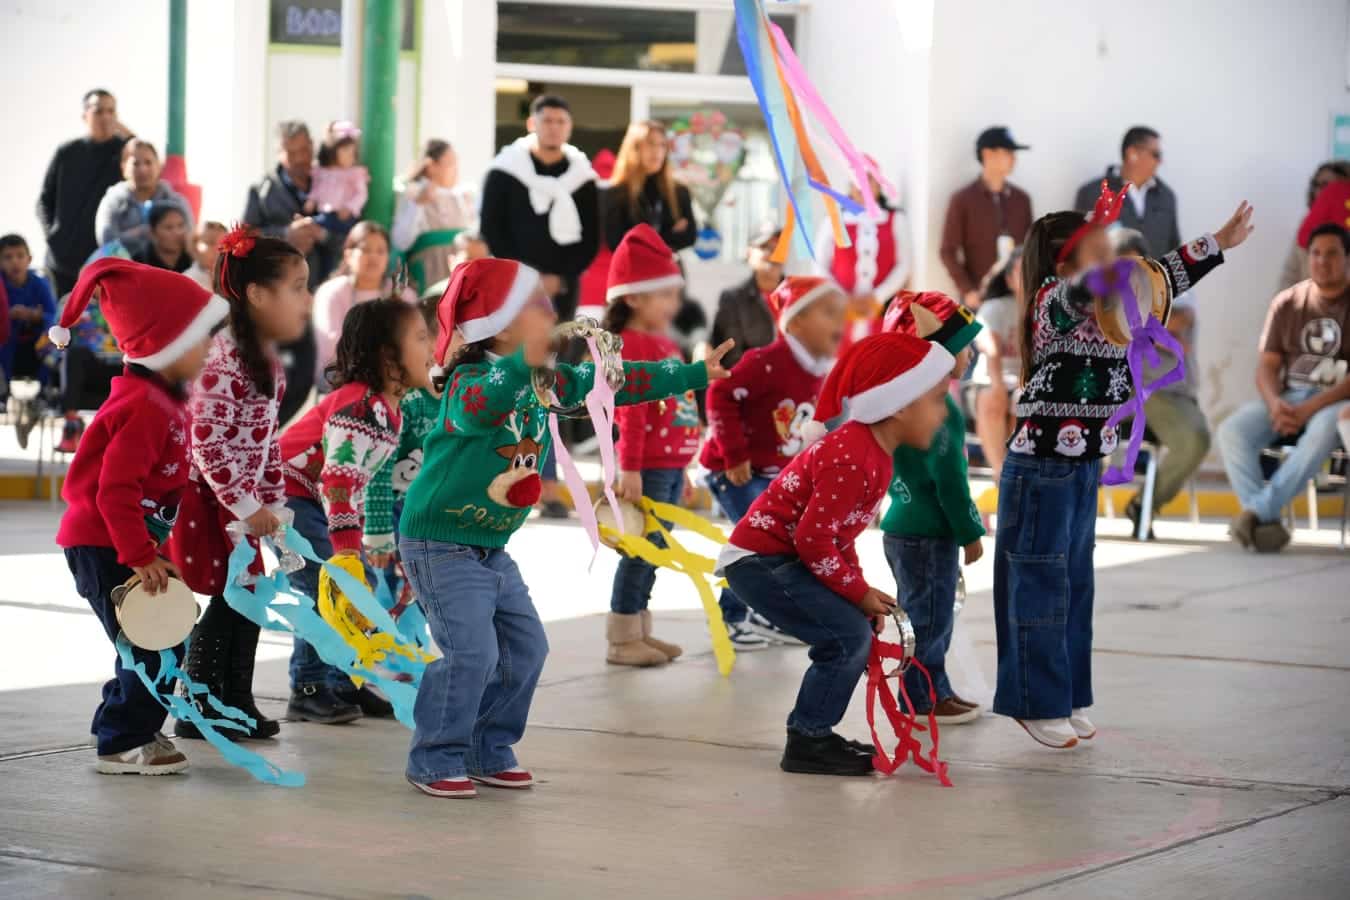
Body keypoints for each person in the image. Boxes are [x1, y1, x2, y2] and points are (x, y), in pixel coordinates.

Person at [397, 257, 733, 798]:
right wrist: (520, 364)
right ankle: (434, 757)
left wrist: (695, 373)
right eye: (536, 308)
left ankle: (488, 747)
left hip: (490, 548)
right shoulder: (468, 382)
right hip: (440, 543)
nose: (551, 317)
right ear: (502, 327)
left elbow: (614, 384)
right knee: (472, 653)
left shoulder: (545, 378)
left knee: (528, 648)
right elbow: (486, 404)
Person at [998, 190, 1253, 749]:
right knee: (1040, 581)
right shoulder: (1050, 301)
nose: (1111, 261)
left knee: (1076, 585)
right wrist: (1099, 265)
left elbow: (1160, 276)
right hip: (1042, 466)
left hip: (1083, 464)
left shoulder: (1121, 301)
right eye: (1095, 252)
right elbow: (1077, 292)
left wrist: (1218, 244)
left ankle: (1066, 694)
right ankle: (1034, 701)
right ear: (1066, 263)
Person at [718, 332, 956, 776]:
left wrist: (857, 592)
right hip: (760, 562)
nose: (944, 414)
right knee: (846, 638)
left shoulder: (875, 454)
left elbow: (840, 537)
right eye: (938, 399)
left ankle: (815, 733)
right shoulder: (854, 458)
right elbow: (813, 540)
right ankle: (808, 740)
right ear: (900, 404)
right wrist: (857, 593)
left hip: (783, 558)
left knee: (850, 630)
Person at [50, 257, 229, 774]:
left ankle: (120, 719)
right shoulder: (144, 408)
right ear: (163, 347)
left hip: (122, 541)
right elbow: (114, 492)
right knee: (151, 642)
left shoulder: (164, 401)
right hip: (104, 543)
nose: (211, 350)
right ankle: (122, 741)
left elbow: (161, 489)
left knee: (151, 639)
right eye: (200, 338)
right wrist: (139, 556)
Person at [165, 229, 310, 742]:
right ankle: (198, 703)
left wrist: (273, 502)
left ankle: (236, 698)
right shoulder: (221, 357)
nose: (306, 299)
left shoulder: (265, 359)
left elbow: (268, 440)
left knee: (248, 596)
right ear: (256, 294)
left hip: (245, 507)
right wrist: (247, 504)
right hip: (212, 502)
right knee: (224, 599)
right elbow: (206, 445)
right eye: (296, 287)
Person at [279, 297, 433, 724]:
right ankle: (309, 686)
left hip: (317, 500)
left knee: (351, 586)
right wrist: (348, 549)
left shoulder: (389, 408)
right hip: (291, 494)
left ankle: (345, 681)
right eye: (421, 338)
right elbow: (339, 480)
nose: (433, 348)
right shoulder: (361, 406)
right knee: (327, 586)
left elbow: (360, 482)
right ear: (388, 356)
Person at [702, 276, 844, 649]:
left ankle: (771, 614)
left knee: (780, 543)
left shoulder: (819, 369)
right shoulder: (766, 363)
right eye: (828, 313)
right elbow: (720, 394)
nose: (838, 323)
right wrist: (734, 455)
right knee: (754, 545)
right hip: (732, 469)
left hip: (772, 471)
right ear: (796, 321)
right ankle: (731, 619)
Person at [879, 291, 985, 725]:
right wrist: (970, 532)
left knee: (923, 615)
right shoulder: (940, 410)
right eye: (964, 346)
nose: (973, 353)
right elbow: (951, 482)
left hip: (904, 526)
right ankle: (920, 698)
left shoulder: (897, 401)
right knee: (929, 619)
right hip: (929, 531)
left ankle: (934, 688)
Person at [602, 225, 702, 667]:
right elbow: (632, 412)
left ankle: (641, 626)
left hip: (667, 467)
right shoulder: (633, 345)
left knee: (657, 547)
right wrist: (630, 469)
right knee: (640, 548)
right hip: (646, 467)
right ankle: (623, 635)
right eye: (663, 294)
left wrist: (681, 469)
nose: (673, 305)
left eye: (673, 294)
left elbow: (677, 408)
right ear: (633, 297)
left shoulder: (664, 344)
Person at [1217, 223, 1350, 553]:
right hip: (1290, 397)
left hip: (1337, 401)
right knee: (1232, 430)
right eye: (1316, 254)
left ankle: (1255, 512)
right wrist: (1275, 403)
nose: (1322, 261)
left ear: (1347, 257)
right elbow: (1267, 366)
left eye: (1332, 253)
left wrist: (1311, 407)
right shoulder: (1288, 302)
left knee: (1322, 427)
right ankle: (1264, 521)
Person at [1112, 228, 1210, 538]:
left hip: (1167, 392)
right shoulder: (1102, 294)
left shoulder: (1169, 286)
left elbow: (1183, 318)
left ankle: (1144, 505)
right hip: (1119, 391)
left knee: (1196, 439)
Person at [479, 95, 599, 324]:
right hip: (513, 282)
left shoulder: (583, 177)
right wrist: (527, 278)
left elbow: (590, 237)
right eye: (547, 121)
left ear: (570, 127)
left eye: (561, 121)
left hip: (562, 286)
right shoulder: (505, 171)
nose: (554, 127)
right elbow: (492, 228)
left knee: (560, 352)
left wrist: (560, 278)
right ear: (532, 124)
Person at [37, 89, 133, 297]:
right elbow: (44, 201)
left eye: (111, 111)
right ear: (85, 115)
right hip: (60, 263)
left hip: (101, 262)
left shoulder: (123, 154)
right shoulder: (67, 152)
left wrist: (123, 131)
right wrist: (53, 236)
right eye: (99, 111)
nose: (105, 117)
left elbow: (147, 162)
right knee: (59, 325)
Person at [815, 164, 913, 353]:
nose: (863, 186)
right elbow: (819, 264)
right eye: (857, 180)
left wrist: (877, 298)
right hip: (840, 312)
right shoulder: (834, 220)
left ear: (879, 184)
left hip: (883, 310)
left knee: (881, 362)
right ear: (850, 186)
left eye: (869, 180)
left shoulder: (895, 219)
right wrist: (843, 299)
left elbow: (904, 264)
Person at [312, 221, 418, 385]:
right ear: (348, 254)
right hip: (342, 379)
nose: (373, 256)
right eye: (365, 249)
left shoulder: (404, 295)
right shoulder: (331, 292)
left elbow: (415, 341)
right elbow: (329, 347)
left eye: (380, 251)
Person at [939, 126, 1033, 310]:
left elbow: (1031, 247)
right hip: (979, 302)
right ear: (988, 154)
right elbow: (947, 251)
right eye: (1008, 152)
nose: (1014, 158)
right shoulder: (962, 200)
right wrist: (968, 291)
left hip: (1016, 299)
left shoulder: (1022, 200)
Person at [243, 121, 330, 287]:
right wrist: (285, 235)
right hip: (279, 290)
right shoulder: (261, 192)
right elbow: (244, 239)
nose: (299, 159)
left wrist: (322, 234)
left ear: (312, 146)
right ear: (278, 153)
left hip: (327, 288)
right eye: (291, 153)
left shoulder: (333, 183)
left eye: (304, 150)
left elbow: (351, 234)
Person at [1075, 127, 1180, 258]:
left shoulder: (1166, 197)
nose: (1160, 161)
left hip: (1153, 278)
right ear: (1132, 154)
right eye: (1156, 154)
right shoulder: (1092, 193)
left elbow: (1173, 247)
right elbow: (1080, 248)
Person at [392, 139, 477, 291]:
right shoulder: (413, 193)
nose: (456, 170)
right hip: (428, 277)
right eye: (450, 164)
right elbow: (401, 241)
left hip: (461, 280)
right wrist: (417, 204)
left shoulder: (464, 196)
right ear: (431, 166)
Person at [603, 120, 696, 253]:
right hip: (633, 271)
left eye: (662, 145)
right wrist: (670, 235)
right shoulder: (617, 193)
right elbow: (615, 242)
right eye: (650, 143)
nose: (657, 151)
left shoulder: (679, 191)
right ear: (635, 147)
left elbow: (689, 237)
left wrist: (639, 238)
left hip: (667, 271)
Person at [971, 248, 1023, 478]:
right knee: (993, 399)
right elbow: (989, 346)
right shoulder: (996, 307)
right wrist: (999, 384)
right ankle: (1001, 474)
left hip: (1025, 382)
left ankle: (1017, 472)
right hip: (991, 379)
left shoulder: (1050, 309)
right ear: (1009, 279)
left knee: (1025, 401)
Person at [94, 139, 193, 258]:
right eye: (136, 164)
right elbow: (107, 242)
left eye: (148, 162)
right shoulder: (112, 202)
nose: (143, 169)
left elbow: (190, 241)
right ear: (123, 167)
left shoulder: (177, 203)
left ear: (159, 166)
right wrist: (140, 234)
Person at [0, 235, 58, 430]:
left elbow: (54, 317)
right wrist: (7, 316)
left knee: (55, 337)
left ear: (29, 259)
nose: (14, 262)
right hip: (7, 348)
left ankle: (42, 395)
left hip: (35, 349)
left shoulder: (40, 283)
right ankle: (4, 392)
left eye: (19, 256)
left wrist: (35, 316)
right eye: (8, 257)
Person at [709, 225, 783, 369]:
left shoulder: (800, 295)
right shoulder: (733, 299)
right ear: (749, 254)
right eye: (764, 247)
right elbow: (732, 358)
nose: (773, 253)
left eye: (779, 247)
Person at [1280, 162, 1350, 290]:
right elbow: (1290, 273)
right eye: (1316, 185)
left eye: (1327, 186)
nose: (1320, 191)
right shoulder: (1306, 225)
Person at [306, 121, 369, 243]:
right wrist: (311, 200)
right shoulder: (322, 172)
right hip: (325, 212)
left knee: (328, 228)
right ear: (333, 150)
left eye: (353, 152)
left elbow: (361, 194)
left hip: (344, 216)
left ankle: (313, 227)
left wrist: (349, 208)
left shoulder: (354, 173)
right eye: (346, 151)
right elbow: (317, 188)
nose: (351, 156)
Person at [131, 205, 193, 273]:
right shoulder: (139, 262)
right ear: (152, 232)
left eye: (181, 225)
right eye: (168, 227)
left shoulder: (193, 257)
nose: (177, 233)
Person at [184, 221, 227, 291]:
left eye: (222, 245)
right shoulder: (188, 280)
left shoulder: (230, 278)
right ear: (194, 246)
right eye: (211, 243)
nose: (217, 251)